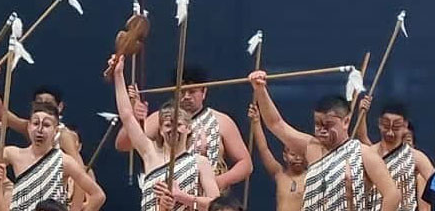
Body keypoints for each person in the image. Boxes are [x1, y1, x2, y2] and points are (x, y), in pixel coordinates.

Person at [248, 70, 400, 210]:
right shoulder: (311, 147)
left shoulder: (364, 154)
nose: (321, 130)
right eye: (318, 124)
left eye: (328, 125)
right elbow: (276, 124)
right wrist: (260, 90)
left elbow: (392, 194)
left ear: (346, 122)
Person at [114, 65, 252, 191]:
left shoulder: (222, 121)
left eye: (192, 91)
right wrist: (135, 117)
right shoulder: (161, 119)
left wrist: (219, 181)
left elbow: (245, 163)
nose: (186, 97)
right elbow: (123, 145)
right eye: (182, 91)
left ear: (203, 92)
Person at [0, 100, 105, 211]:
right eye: (36, 123)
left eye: (47, 125)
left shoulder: (65, 162)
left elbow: (98, 195)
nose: (40, 129)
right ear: (29, 127)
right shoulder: (14, 154)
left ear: (56, 131)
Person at [109, 55, 220, 211]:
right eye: (168, 125)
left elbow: (216, 205)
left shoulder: (200, 162)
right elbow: (127, 116)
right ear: (160, 130)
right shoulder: (150, 153)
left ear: (188, 128)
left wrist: (181, 196)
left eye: (179, 124)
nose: (173, 129)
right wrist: (118, 75)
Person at [354, 98, 435, 211]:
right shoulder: (370, 154)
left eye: (396, 127)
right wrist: (361, 113)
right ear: (379, 123)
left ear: (405, 126)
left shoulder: (415, 157)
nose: (390, 132)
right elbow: (362, 137)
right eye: (386, 126)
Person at [247, 104, 305, 211]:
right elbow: (263, 149)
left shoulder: (311, 176)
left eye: (301, 154)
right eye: (293, 154)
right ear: (285, 156)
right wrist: (256, 122)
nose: (297, 158)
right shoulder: (279, 174)